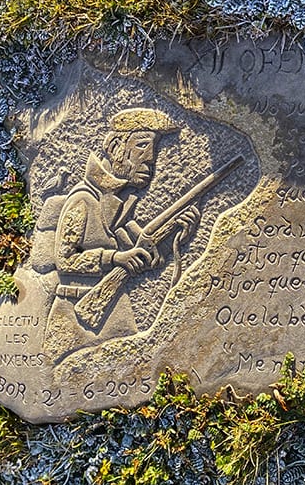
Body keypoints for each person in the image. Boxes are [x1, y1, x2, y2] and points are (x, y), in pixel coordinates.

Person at [43, 108, 199, 364]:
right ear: (115, 146)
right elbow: (64, 260)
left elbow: (147, 258)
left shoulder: (121, 206)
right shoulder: (83, 199)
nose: (150, 158)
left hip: (117, 309)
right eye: (141, 146)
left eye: (154, 149)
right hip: (74, 314)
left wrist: (176, 238)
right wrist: (114, 258)